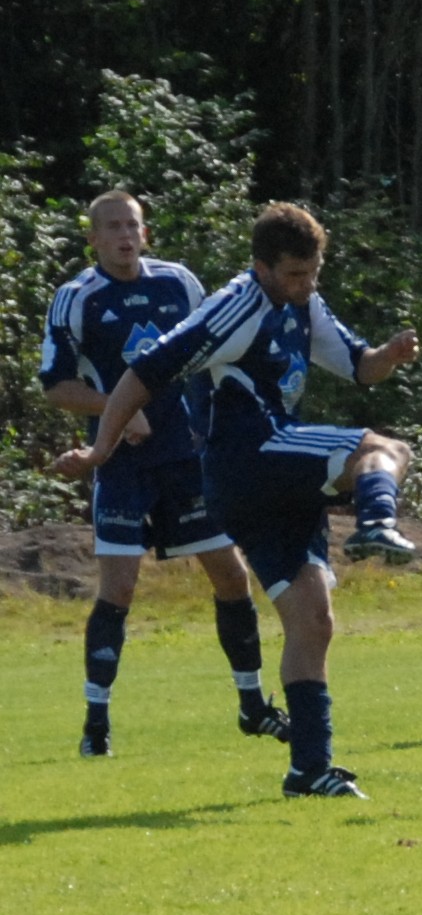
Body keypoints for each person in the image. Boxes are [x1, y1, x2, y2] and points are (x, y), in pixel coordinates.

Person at [54, 202, 420, 799]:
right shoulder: (237, 305)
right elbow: (143, 373)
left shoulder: (304, 303)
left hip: (261, 483)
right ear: (261, 266)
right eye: (295, 275)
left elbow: (360, 368)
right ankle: (376, 523)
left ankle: (309, 769)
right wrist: (100, 451)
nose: (306, 285)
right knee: (384, 448)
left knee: (312, 616)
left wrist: (390, 355)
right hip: (251, 457)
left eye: (313, 272)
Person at [39, 190, 291, 756]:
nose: (125, 235)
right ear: (94, 239)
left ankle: (253, 706)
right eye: (112, 227)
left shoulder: (179, 283)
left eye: (133, 224)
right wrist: (118, 411)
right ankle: (96, 725)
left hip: (186, 461)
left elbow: (213, 355)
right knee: (119, 590)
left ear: (145, 233)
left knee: (231, 577)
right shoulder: (76, 298)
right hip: (123, 466)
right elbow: (56, 386)